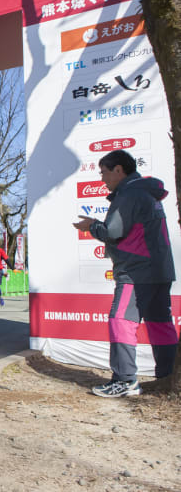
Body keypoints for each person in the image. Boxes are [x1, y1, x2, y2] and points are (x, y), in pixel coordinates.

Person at [73, 149, 177, 398]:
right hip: (159, 270)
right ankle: (169, 376)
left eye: (104, 172)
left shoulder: (129, 193)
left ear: (119, 170)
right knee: (160, 324)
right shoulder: (145, 192)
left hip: (136, 271)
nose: (102, 179)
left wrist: (91, 226)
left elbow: (113, 231)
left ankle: (125, 380)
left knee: (121, 321)